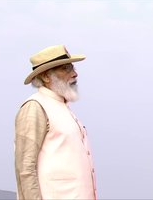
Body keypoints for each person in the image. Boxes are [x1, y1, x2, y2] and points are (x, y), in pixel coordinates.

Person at [15, 45, 97, 199]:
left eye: (72, 67)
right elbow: (25, 169)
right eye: (66, 69)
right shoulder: (35, 106)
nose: (75, 74)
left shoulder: (63, 108)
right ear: (46, 76)